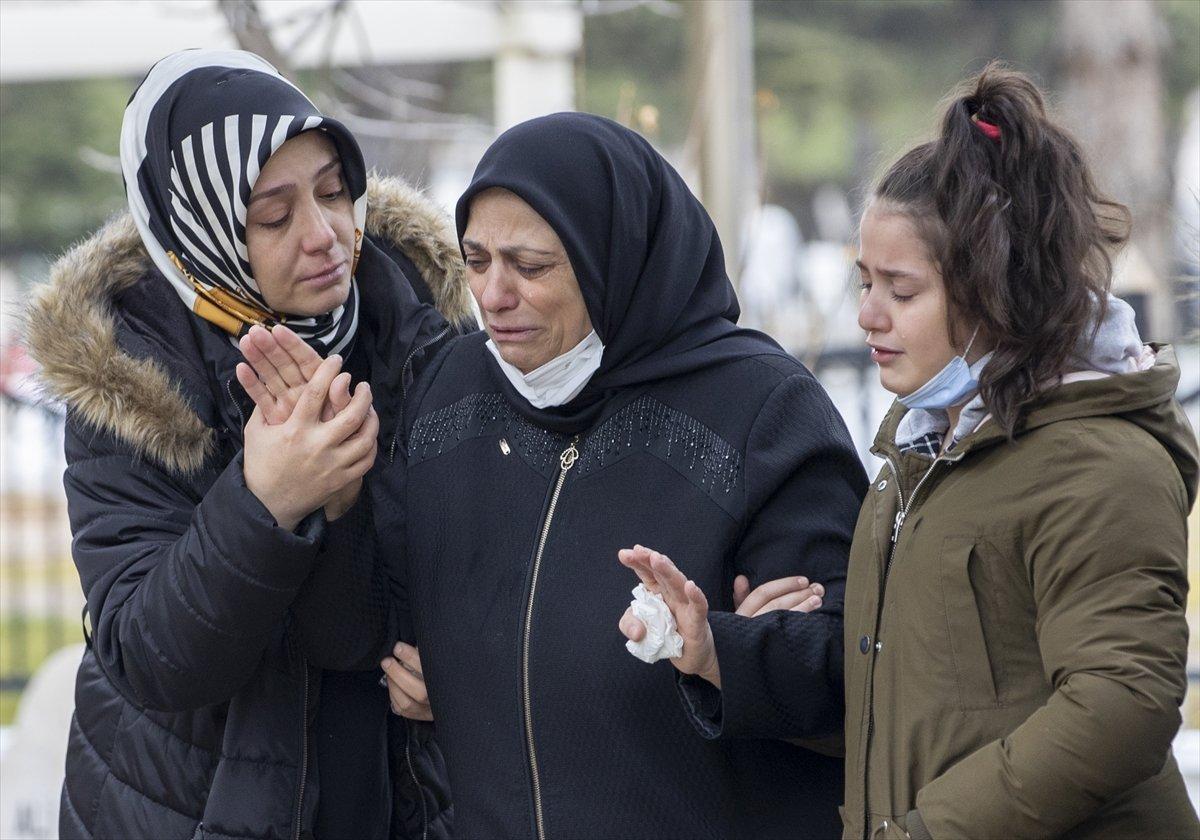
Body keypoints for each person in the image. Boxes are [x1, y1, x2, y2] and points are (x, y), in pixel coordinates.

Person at [242, 113, 867, 838]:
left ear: (616, 258)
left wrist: (723, 654)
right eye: (475, 261)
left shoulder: (761, 410)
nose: (494, 296)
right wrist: (330, 506)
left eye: (531, 266)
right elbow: (383, 618)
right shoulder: (449, 391)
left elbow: (855, 666)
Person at [25, 49, 469, 839]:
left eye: (334, 192)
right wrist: (267, 501)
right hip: (188, 809)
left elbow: (459, 588)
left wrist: (465, 668)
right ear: (202, 232)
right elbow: (149, 656)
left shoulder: (425, 339)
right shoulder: (132, 378)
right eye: (273, 216)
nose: (325, 234)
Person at [838, 64, 1198, 839]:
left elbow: (1121, 705)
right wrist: (723, 658)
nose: (867, 315)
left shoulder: (1102, 464)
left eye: (901, 291)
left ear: (994, 288)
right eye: (863, 282)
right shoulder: (925, 454)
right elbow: (917, 702)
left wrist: (933, 833)